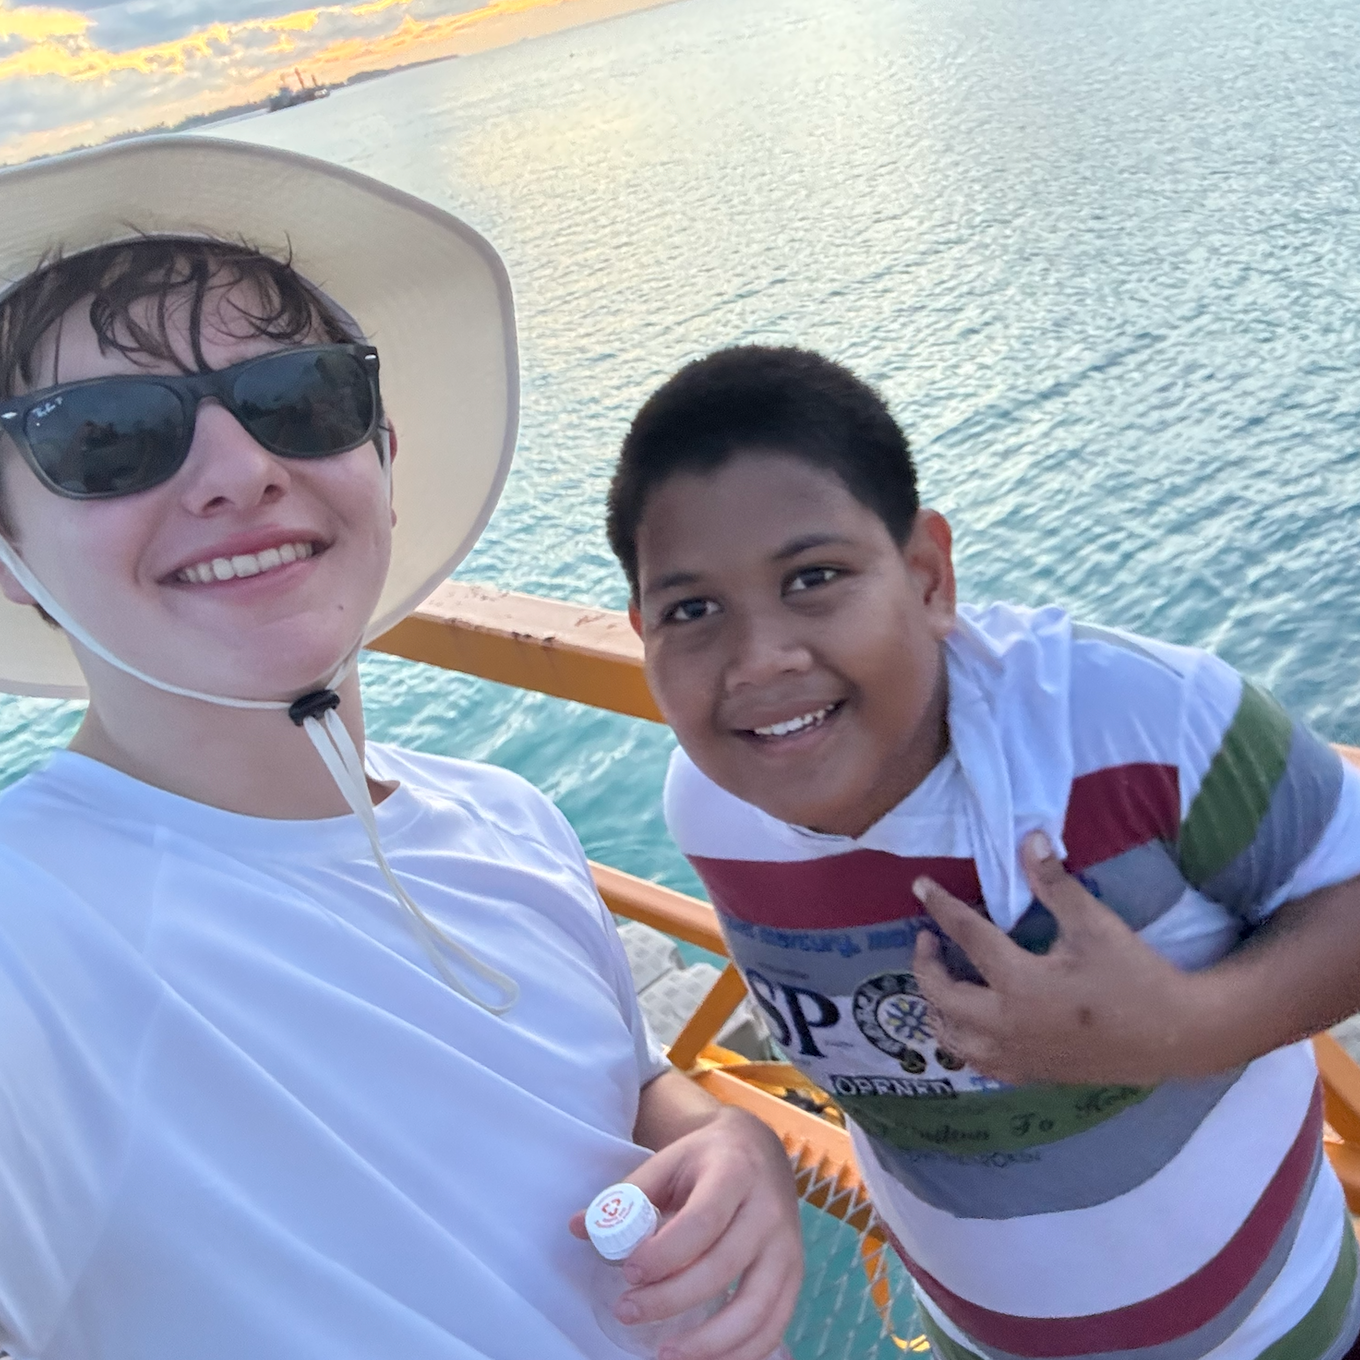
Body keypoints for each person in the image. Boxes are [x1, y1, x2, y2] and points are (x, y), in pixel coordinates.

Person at [0, 139, 802, 1360]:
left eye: (297, 397)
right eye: (105, 435)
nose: (240, 471)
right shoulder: (36, 944)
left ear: (381, 455)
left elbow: (619, 1087)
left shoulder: (503, 815)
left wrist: (726, 1140)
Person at [607, 344, 1360, 1360]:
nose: (760, 659)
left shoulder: (1139, 724)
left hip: (1282, 1333)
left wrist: (1182, 1029)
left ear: (926, 575)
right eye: (691, 609)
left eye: (813, 577)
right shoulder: (711, 806)